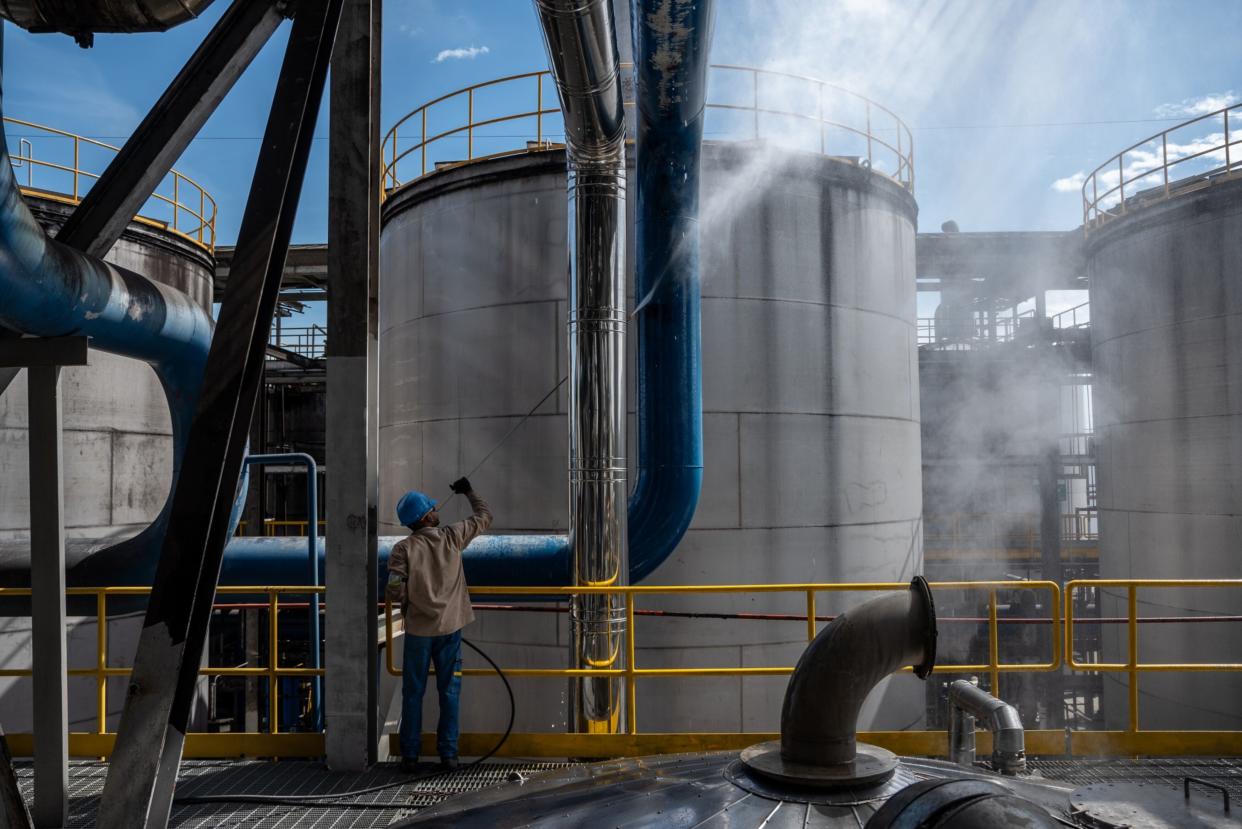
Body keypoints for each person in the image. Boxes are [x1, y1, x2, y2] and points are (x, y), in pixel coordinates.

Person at [387, 476, 492, 773]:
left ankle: (410, 756)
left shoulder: (402, 550)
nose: (436, 509)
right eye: (432, 508)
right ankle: (449, 756)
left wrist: (409, 602)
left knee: (412, 693)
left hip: (419, 631)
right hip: (450, 630)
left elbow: (394, 588)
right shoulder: (452, 536)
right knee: (449, 692)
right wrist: (469, 491)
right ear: (425, 517)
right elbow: (485, 516)